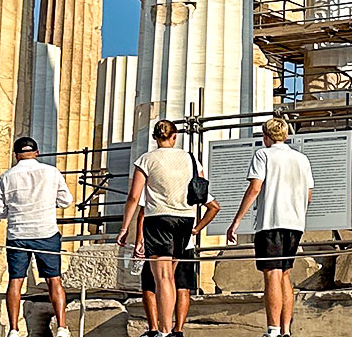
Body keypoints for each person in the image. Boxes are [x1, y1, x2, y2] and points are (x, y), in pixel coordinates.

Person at [118, 121, 216, 337]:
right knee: (171, 277)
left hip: (159, 219)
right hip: (185, 219)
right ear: (175, 136)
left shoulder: (146, 159)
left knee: (162, 279)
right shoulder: (190, 158)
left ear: (155, 137)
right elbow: (200, 185)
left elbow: (134, 196)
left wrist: (125, 227)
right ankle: (172, 329)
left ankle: (164, 330)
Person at [223, 119, 312, 337]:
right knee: (285, 274)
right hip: (295, 222)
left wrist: (236, 221)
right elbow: (308, 195)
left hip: (271, 221)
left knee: (271, 273)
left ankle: (272, 329)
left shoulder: (263, 155)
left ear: (266, 136)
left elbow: (254, 188)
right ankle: (285, 330)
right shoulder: (302, 158)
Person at [0, 137, 74, 337]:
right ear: (36, 152)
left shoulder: (6, 177)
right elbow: (66, 201)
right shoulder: (51, 172)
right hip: (45, 230)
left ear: (15, 155)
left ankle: (13, 329)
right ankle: (62, 327)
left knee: (16, 280)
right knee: (54, 280)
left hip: (18, 233)